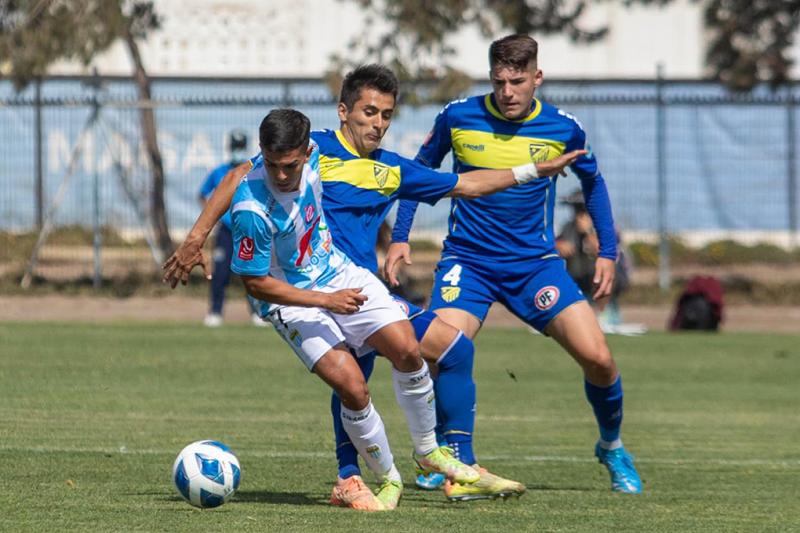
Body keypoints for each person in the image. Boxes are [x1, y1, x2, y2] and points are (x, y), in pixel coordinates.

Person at [162, 65, 585, 505]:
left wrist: (534, 170)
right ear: (344, 111)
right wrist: (196, 237)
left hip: (352, 282)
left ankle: (436, 457)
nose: (378, 123)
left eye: (386, 114)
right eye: (369, 111)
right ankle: (359, 476)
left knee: (439, 349)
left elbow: (467, 183)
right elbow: (238, 184)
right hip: (307, 296)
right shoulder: (314, 152)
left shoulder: (391, 169)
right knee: (350, 381)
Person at [385, 35, 643, 494]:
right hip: (469, 262)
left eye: (518, 81)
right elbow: (419, 172)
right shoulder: (458, 116)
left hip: (535, 267)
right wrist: (400, 236)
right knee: (442, 350)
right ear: (491, 78)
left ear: (536, 78)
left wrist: (607, 250)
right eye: (500, 81)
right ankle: (449, 456)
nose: (508, 91)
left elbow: (594, 184)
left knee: (600, 359)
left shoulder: (564, 128)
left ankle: (612, 445)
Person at [226, 108, 482, 512]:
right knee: (352, 386)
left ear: (307, 152)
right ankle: (388, 478)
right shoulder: (251, 211)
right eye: (272, 165)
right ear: (263, 155)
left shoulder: (317, 159)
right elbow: (256, 284)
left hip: (339, 272)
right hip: (291, 300)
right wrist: (325, 302)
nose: (279, 175)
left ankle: (429, 450)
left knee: (407, 349)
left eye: (288, 165)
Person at [199, 130, 264, 327]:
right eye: (235, 147)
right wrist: (213, 215)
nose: (238, 151)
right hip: (226, 231)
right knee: (220, 273)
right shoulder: (220, 172)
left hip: (246, 230)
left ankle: (257, 312)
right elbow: (203, 193)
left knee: (252, 272)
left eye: (240, 147)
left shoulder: (253, 172)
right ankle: (215, 312)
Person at [556, 189, 631, 329]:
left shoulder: (605, 227)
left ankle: (603, 315)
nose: (579, 214)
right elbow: (556, 246)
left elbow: (604, 251)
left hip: (609, 278)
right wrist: (559, 246)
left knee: (604, 273)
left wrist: (588, 231)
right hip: (578, 277)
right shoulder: (568, 227)